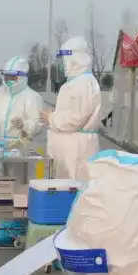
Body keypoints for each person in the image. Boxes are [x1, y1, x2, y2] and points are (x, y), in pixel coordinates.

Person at [0, 56, 44, 245]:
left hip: (22, 148)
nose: (9, 80)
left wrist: (25, 126)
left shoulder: (32, 97)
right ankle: (6, 228)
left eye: (13, 77)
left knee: (20, 190)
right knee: (2, 189)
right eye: (6, 76)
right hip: (0, 148)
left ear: (22, 77)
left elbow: (37, 124)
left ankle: (18, 229)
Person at [41, 36, 103, 179]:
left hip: (76, 150)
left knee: (75, 186)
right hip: (70, 149)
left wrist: (51, 117)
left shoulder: (83, 83)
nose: (62, 64)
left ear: (73, 59)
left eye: (64, 59)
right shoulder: (73, 83)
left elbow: (76, 118)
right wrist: (52, 116)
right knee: (64, 187)